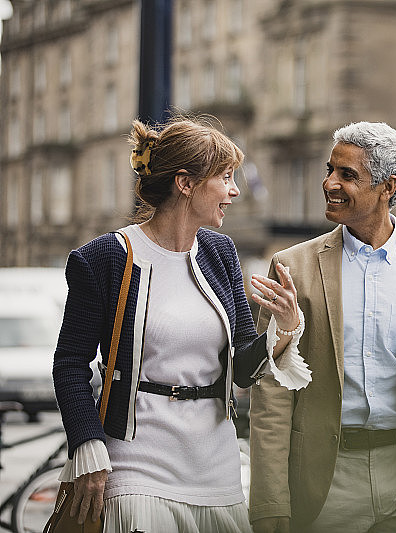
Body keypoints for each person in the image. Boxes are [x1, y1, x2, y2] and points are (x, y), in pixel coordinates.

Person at [52, 116, 311, 533]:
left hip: (216, 467)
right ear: (185, 183)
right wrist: (87, 442)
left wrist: (283, 328)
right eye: (225, 177)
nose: (234, 191)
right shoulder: (103, 258)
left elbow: (243, 369)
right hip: (135, 467)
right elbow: (69, 364)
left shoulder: (221, 252)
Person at [248, 121, 396, 533]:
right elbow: (273, 393)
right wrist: (270, 503)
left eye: (347, 175)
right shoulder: (293, 267)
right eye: (329, 170)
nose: (329, 183)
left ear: (387, 187)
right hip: (328, 477)